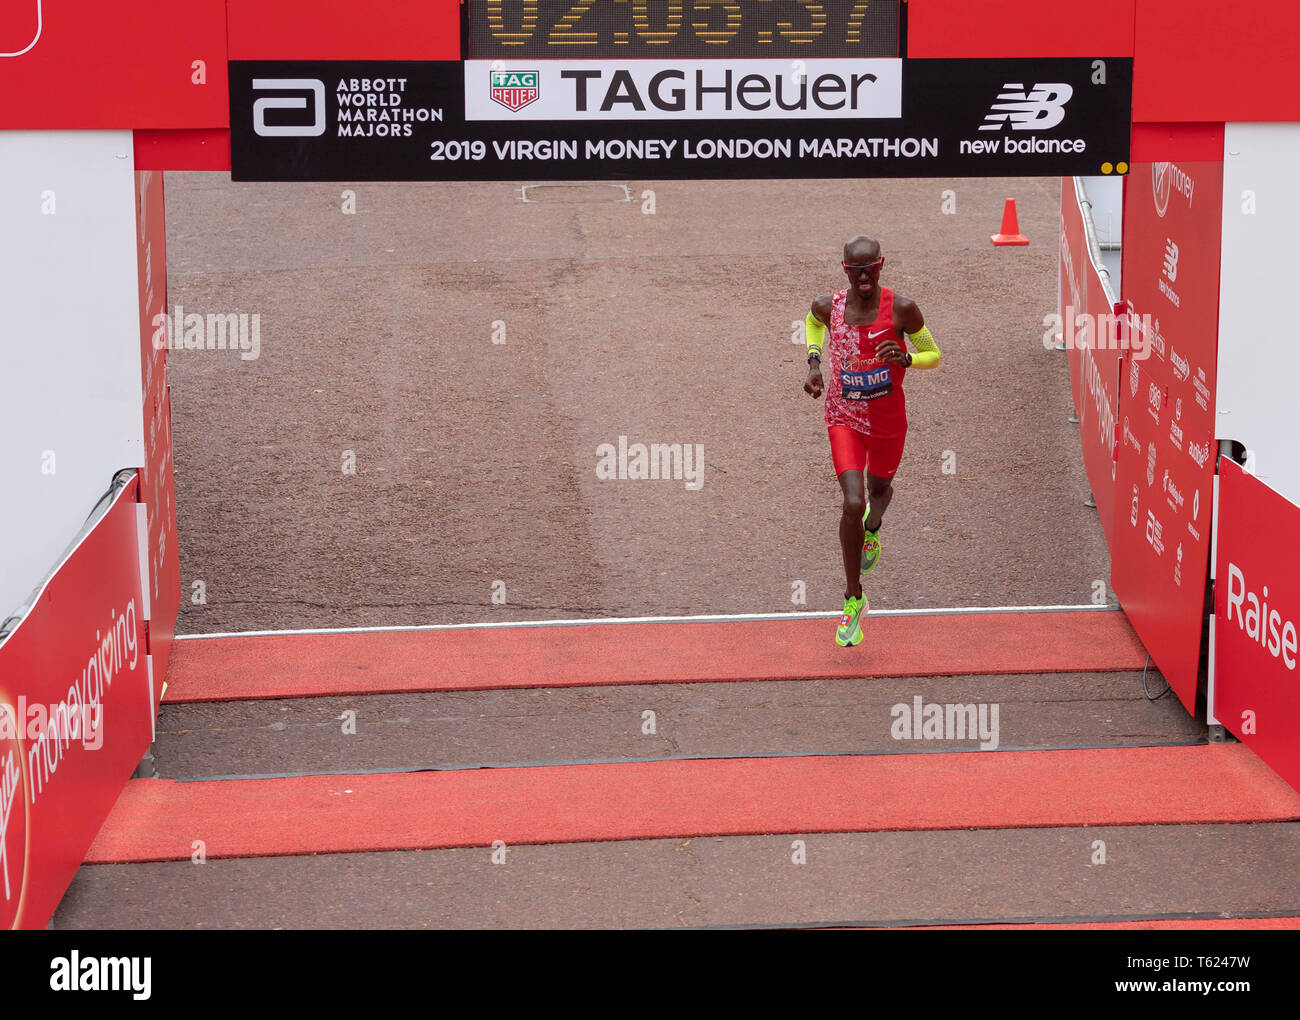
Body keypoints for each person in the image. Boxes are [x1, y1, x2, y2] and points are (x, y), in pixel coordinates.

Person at [803, 235, 942, 647]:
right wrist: (814, 362)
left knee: (879, 491)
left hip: (886, 422)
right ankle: (853, 599)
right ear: (845, 270)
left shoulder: (902, 309)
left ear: (882, 265)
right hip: (843, 417)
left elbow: (934, 353)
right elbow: (812, 321)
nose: (865, 276)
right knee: (852, 501)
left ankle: (874, 528)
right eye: (856, 270)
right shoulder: (828, 306)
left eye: (872, 268)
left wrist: (908, 358)